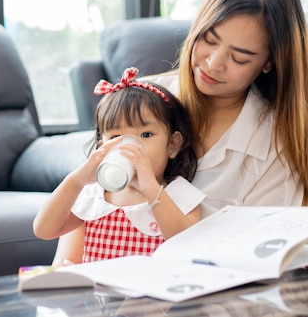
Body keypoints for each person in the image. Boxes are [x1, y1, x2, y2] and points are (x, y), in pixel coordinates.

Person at [154, 0, 308, 216]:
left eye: (239, 58)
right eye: (209, 40)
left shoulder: (275, 144)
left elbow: (264, 243)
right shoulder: (144, 98)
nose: (213, 63)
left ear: (269, 63)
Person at [33, 67, 205, 264]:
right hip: (98, 293)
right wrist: (76, 180)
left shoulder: (179, 195)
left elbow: (188, 246)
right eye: (116, 137)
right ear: (103, 148)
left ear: (172, 144)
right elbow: (44, 230)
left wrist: (151, 189)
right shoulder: (94, 196)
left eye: (146, 135)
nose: (129, 146)